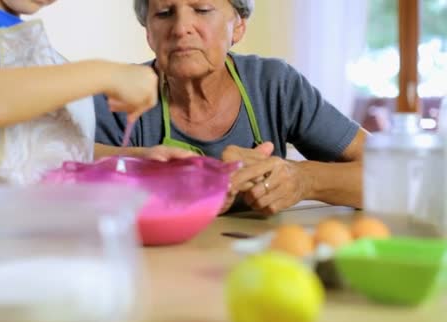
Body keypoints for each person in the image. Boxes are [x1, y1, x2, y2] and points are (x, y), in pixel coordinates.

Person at [95, 0, 367, 215]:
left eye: (201, 10)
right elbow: (62, 177)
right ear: (149, 35)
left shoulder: (274, 85)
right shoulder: (122, 97)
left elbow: (388, 175)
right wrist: (146, 170)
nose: (180, 28)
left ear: (238, 26)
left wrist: (303, 180)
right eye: (164, 13)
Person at [0, 0, 160, 243]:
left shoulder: (24, 39)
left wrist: (138, 157)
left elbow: (47, 147)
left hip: (33, 236)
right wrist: (105, 73)